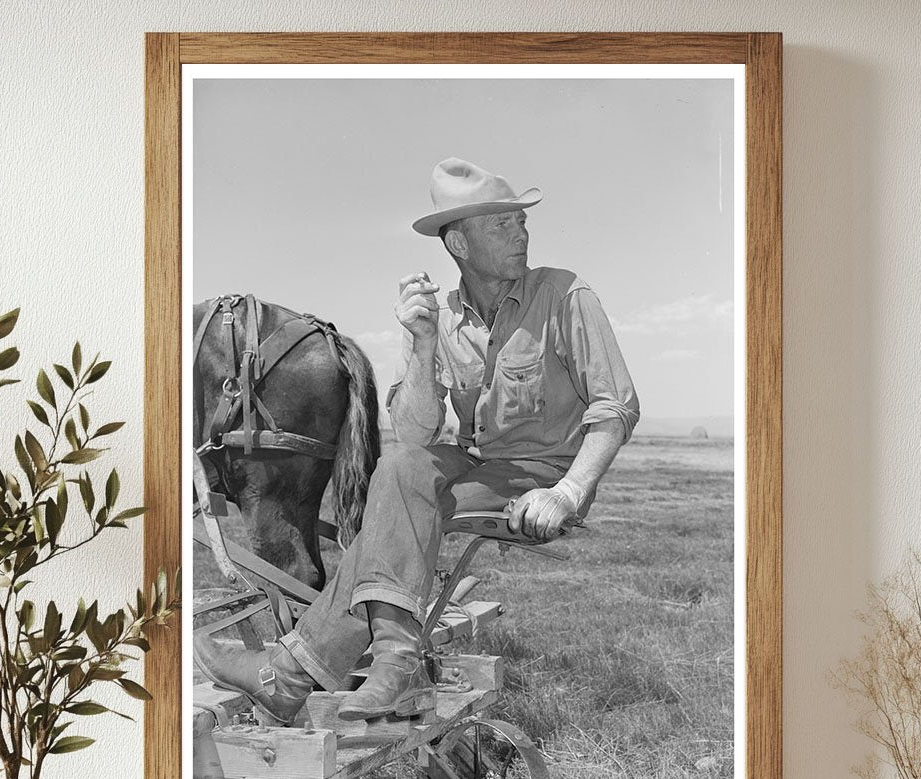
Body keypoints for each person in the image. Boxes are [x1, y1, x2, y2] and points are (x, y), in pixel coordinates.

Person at [195, 157, 640, 724]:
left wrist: (569, 493)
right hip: (477, 466)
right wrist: (425, 345)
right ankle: (377, 664)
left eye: (520, 222)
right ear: (458, 242)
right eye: (501, 224)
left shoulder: (564, 295)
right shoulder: (443, 318)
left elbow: (616, 407)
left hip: (542, 477)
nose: (521, 233)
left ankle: (300, 669)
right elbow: (413, 432)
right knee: (403, 470)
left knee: (396, 511)